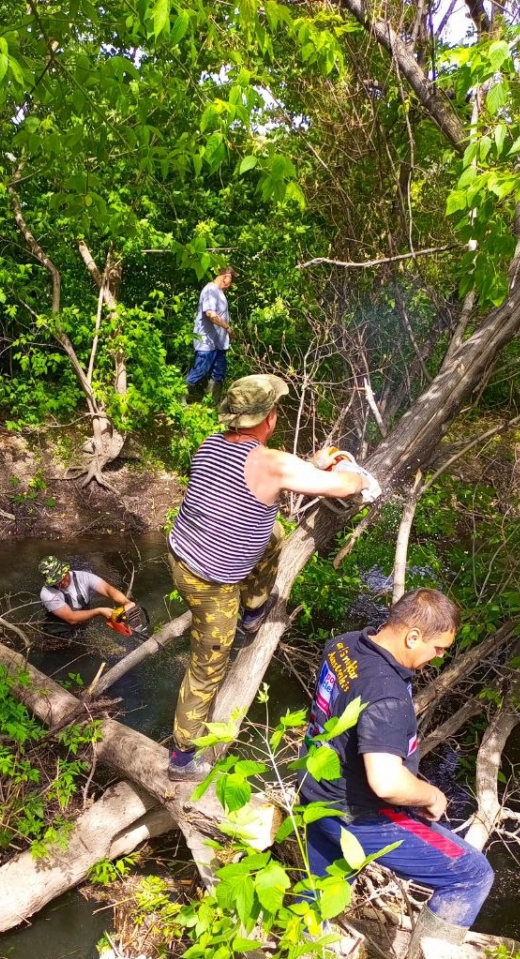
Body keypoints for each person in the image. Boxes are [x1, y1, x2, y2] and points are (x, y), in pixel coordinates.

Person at [167, 373, 381, 782]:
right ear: (268, 417)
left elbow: (259, 473)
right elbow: (342, 486)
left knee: (274, 533)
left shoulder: (212, 443)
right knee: (207, 666)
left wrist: (310, 465)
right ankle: (181, 758)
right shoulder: (272, 463)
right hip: (211, 584)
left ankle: (252, 611)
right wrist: (351, 472)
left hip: (181, 555)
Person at [298, 588, 494, 935]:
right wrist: (431, 795)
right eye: (438, 648)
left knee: (319, 895)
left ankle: (295, 952)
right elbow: (386, 782)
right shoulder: (386, 694)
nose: (439, 657)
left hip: (314, 794)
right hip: (357, 815)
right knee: (473, 875)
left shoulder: (344, 644)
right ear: (412, 636)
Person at [185, 267, 236, 405]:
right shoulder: (210, 290)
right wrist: (228, 328)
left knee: (218, 374)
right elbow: (210, 314)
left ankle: (212, 406)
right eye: (230, 279)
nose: (230, 284)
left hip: (219, 343)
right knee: (200, 371)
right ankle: (178, 399)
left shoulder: (219, 292)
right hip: (206, 341)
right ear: (225, 276)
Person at [39, 557, 135, 627]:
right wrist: (99, 611)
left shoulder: (83, 577)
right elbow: (71, 618)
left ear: (66, 570)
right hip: (57, 636)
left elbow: (107, 589)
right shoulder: (47, 594)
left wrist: (126, 602)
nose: (62, 583)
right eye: (57, 582)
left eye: (63, 578)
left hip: (81, 627)